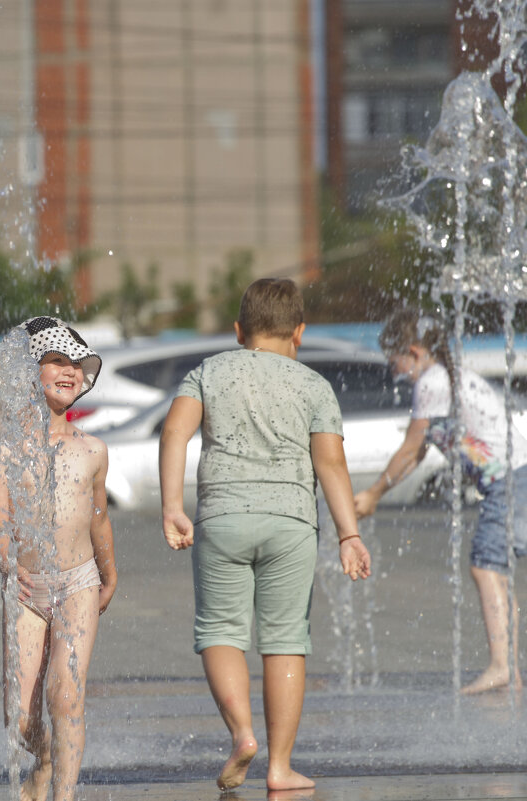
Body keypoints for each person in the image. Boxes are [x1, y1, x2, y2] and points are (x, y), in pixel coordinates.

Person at [159, 278, 372, 792]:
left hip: (222, 518)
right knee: (284, 641)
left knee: (220, 630)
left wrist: (172, 506)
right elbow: (332, 464)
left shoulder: (208, 371)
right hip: (291, 524)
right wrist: (349, 534)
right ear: (299, 331)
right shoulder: (314, 386)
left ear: (238, 331)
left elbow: (174, 432)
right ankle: (280, 767)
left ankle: (242, 734)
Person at [353, 308, 527, 695]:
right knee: (495, 569)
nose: (396, 371)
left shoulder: (433, 380)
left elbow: (411, 448)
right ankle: (509, 671)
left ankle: (500, 667)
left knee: (485, 566)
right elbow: (421, 452)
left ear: (413, 351)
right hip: (522, 477)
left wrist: (373, 493)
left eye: (396, 362)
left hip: (511, 480)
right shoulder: (446, 376)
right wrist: (379, 492)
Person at [0, 316, 118, 801]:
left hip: (78, 583)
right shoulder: (4, 449)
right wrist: (7, 562)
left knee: (65, 693)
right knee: (19, 718)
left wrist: (110, 571)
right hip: (25, 589)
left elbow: (99, 517)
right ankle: (42, 758)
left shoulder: (92, 450)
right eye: (56, 361)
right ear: (29, 374)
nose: (70, 372)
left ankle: (64, 795)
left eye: (76, 364)